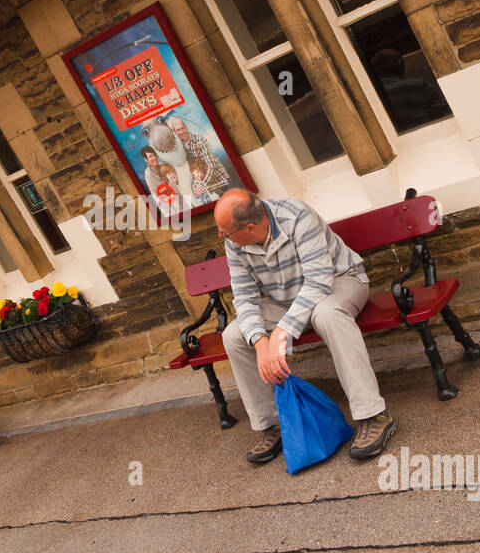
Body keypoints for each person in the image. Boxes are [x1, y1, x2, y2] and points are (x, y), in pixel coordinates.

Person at [215, 190, 394, 465]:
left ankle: (373, 415)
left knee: (327, 314)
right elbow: (245, 297)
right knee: (236, 335)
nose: (221, 237)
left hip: (340, 281)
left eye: (224, 232)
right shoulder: (235, 242)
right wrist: (261, 343)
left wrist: (281, 331)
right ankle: (273, 425)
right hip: (286, 300)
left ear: (250, 228)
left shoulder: (297, 216)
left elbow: (319, 282)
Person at [168, 116, 230, 196]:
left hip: (219, 179)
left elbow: (211, 165)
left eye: (182, 128)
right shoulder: (180, 147)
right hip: (203, 184)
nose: (181, 132)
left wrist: (202, 185)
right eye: (178, 130)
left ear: (186, 127)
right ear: (175, 132)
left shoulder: (200, 140)